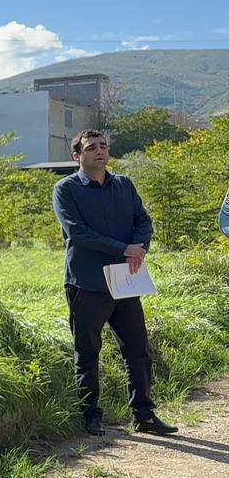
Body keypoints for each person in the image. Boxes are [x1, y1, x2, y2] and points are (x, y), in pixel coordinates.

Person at [52, 129, 177, 437]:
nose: (99, 151)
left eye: (103, 146)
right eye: (91, 147)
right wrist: (124, 249)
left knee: (138, 350)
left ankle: (144, 415)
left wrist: (140, 248)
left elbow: (143, 221)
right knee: (87, 353)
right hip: (87, 283)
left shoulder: (123, 185)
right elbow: (77, 232)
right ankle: (91, 416)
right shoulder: (65, 189)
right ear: (77, 156)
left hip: (125, 282)